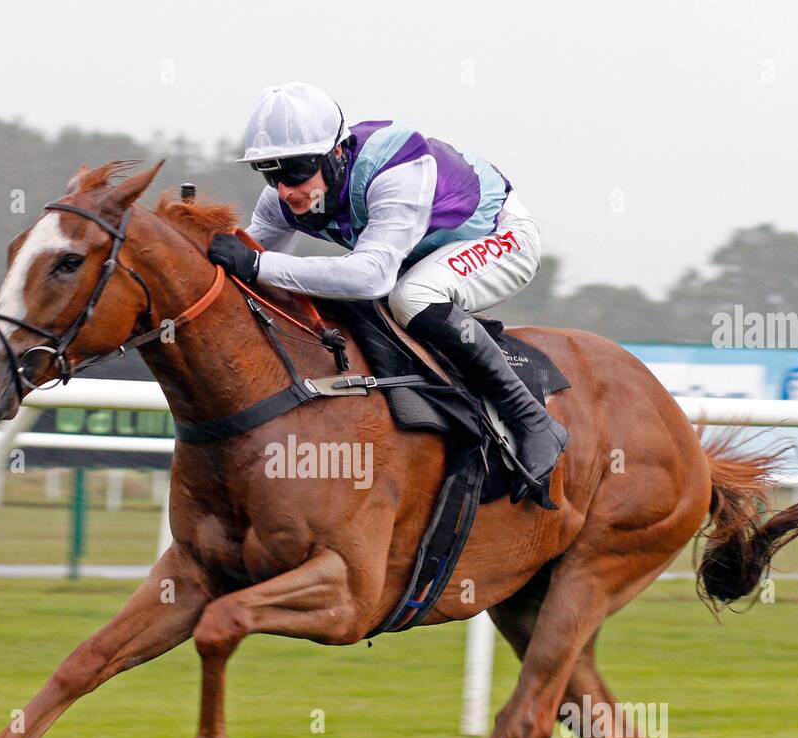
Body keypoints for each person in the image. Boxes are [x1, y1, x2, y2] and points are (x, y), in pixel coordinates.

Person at [207, 81, 568, 505]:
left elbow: (371, 276)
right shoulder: (284, 198)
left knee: (410, 296)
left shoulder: (396, 169)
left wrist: (256, 264)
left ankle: (532, 420)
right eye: (271, 173)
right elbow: (247, 263)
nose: (284, 189)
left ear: (336, 153)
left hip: (502, 237)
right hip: (422, 255)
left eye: (296, 171)